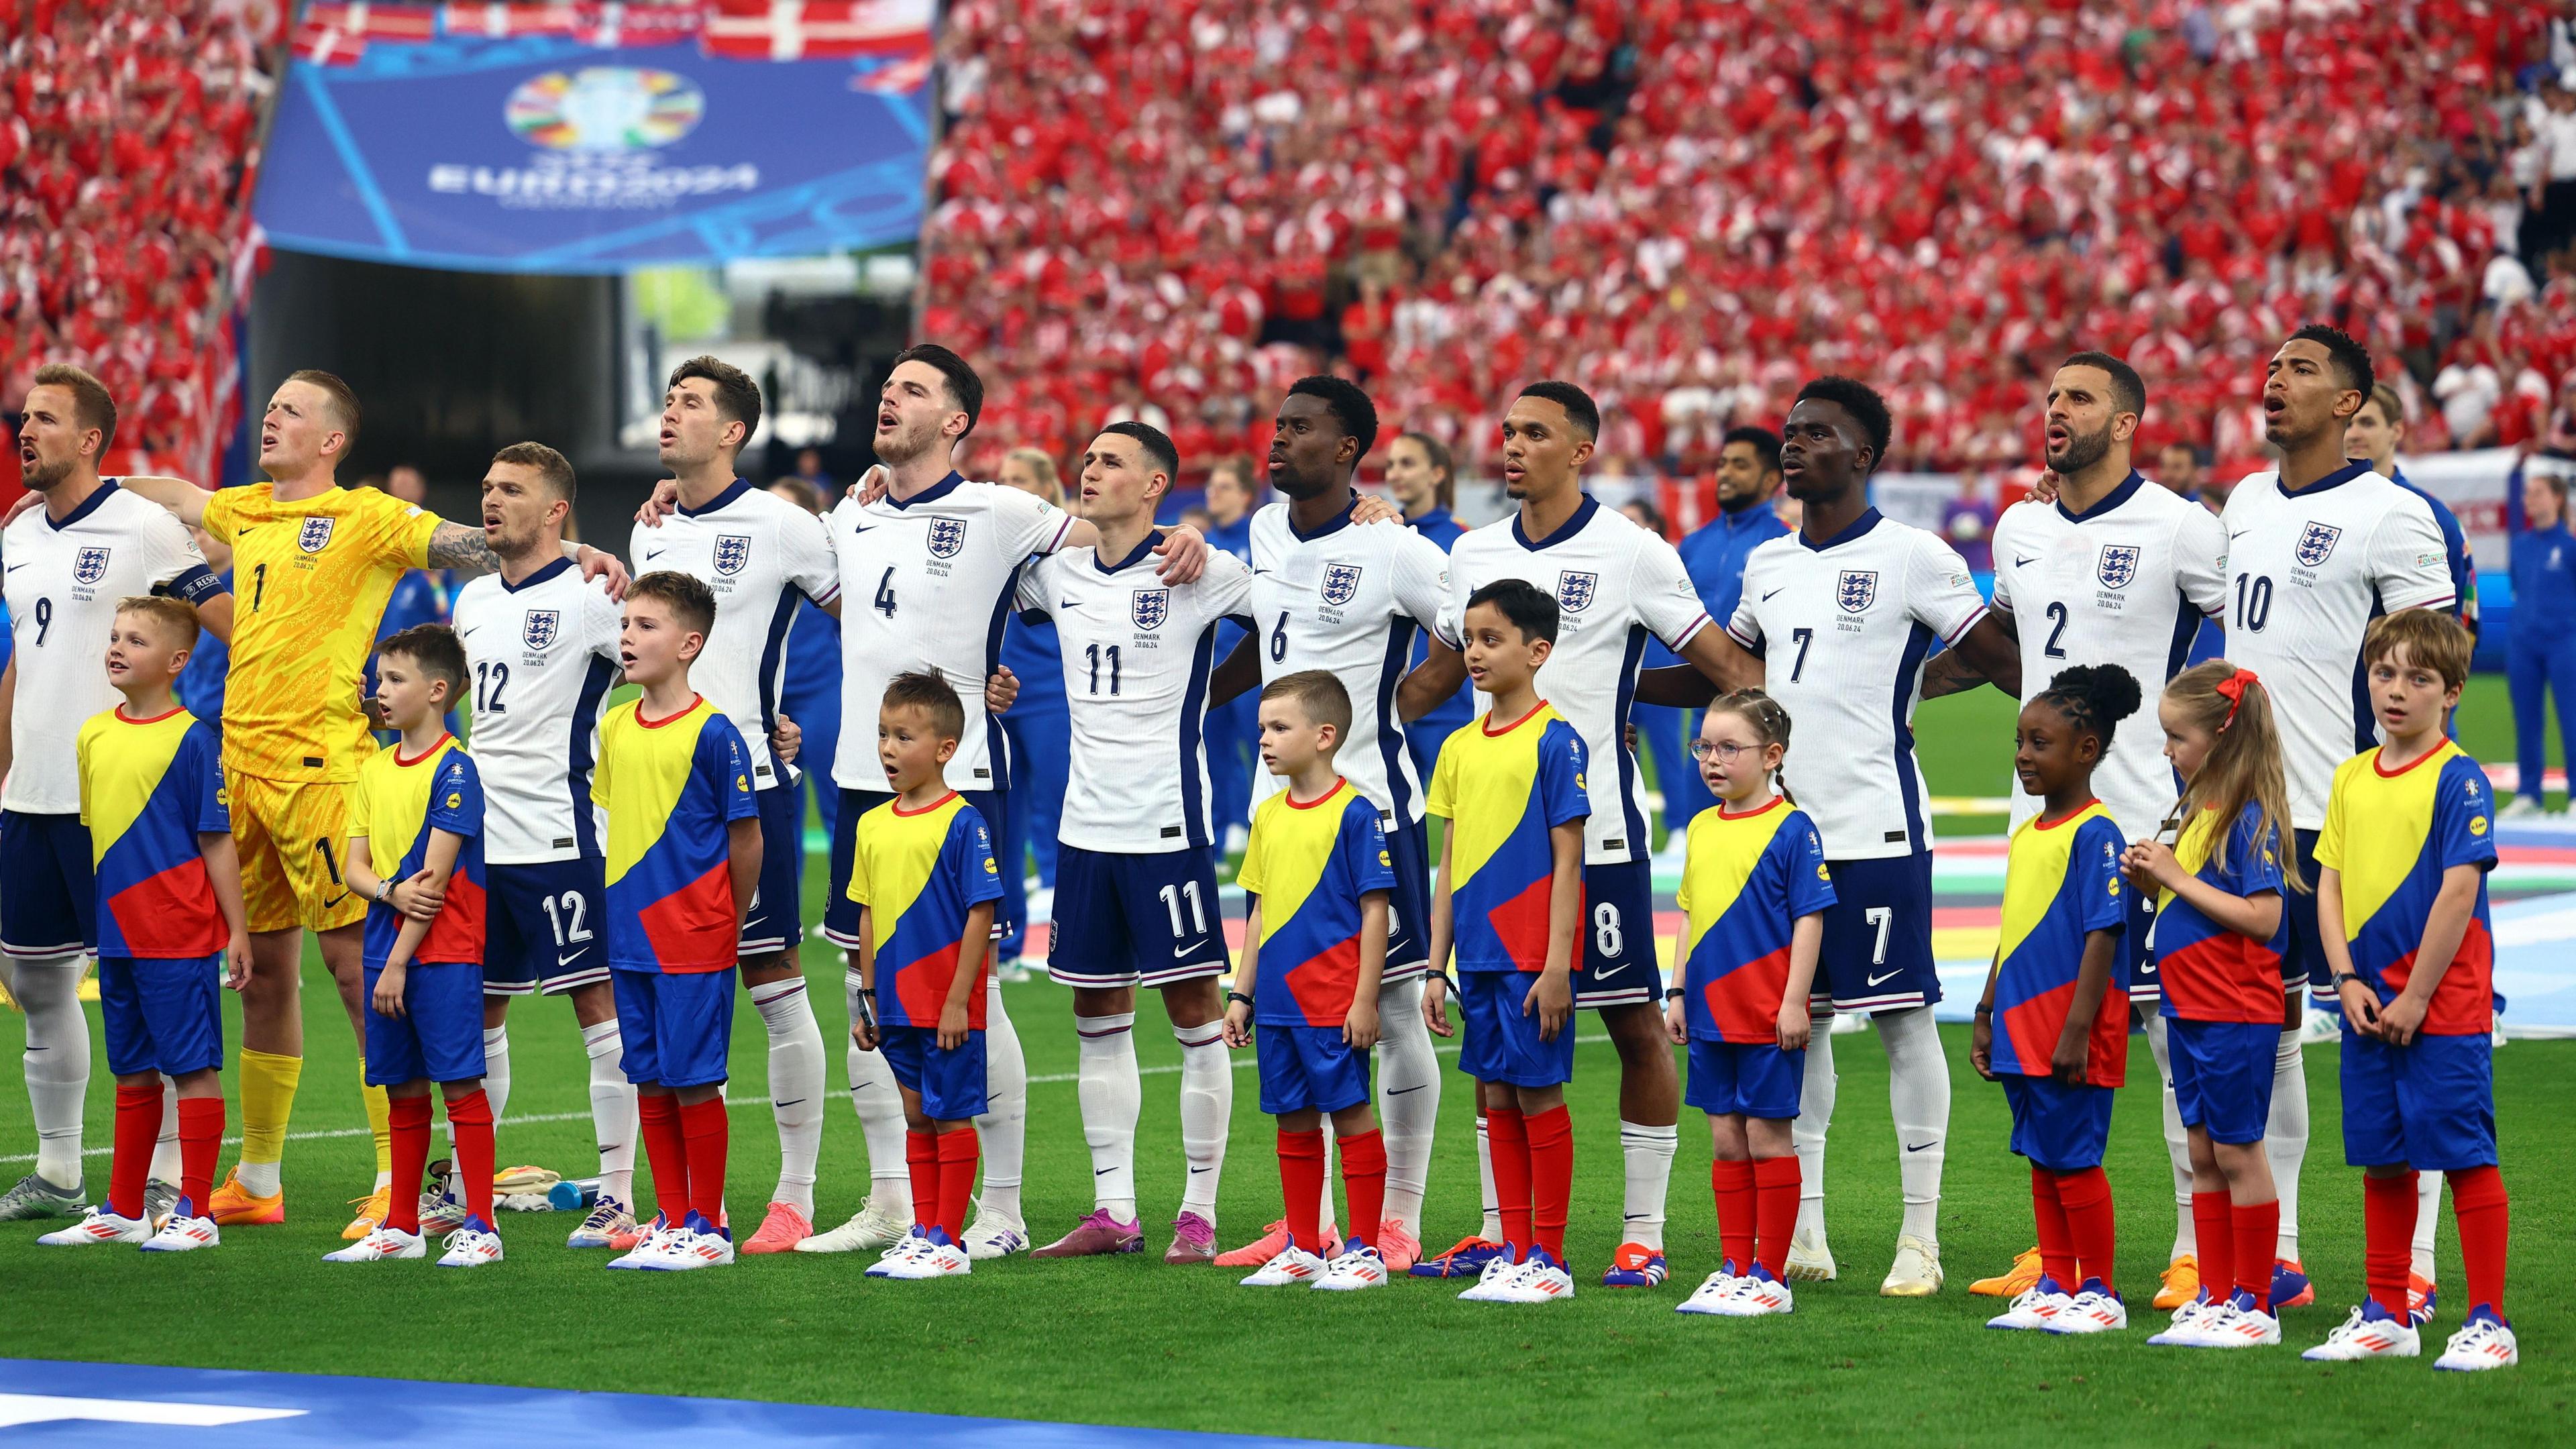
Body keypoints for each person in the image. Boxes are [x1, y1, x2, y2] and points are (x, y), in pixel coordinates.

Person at [99, 368, 622, 1237]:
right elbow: (181, 497)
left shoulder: (369, 517)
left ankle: (397, 1177)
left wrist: (573, 554)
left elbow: (472, 539)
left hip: (325, 767)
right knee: (262, 976)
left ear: (332, 439)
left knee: (356, 970)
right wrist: (99, 491)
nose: (271, 419)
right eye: (269, 408)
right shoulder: (246, 508)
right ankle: (259, 1177)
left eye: (290, 411)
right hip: (242, 762)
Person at [790, 346, 1203, 1261]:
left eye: (913, 391)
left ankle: (1003, 1209)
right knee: (866, 988)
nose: (889, 397)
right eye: (887, 384)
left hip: (961, 781)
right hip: (863, 782)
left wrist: (1188, 541)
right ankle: (891, 1200)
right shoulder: (846, 519)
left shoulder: (1005, 512)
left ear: (956, 422)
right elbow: (832, 603)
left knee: (971, 997)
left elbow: (1113, 550)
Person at [1404, 380, 1758, 1291]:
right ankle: (1499, 1231)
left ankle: (1642, 1233)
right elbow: (1443, 670)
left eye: (1535, 432)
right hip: (1488, 847)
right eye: (1507, 428)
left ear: (1583, 450)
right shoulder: (1473, 552)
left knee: (1636, 1022)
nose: (1513, 444)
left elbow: (1723, 666)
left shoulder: (1635, 552)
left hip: (1593, 835)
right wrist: (1368, 721)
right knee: (1492, 1035)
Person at [1720, 376, 2023, 1294]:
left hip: (1877, 825)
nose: (1795, 444)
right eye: (1790, 431)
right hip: (1781, 835)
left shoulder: (1913, 555)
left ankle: (1919, 1240)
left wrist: (1921, 686)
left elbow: (2002, 653)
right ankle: (1807, 1234)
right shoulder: (1767, 564)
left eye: (1818, 433)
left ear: (1864, 456)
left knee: (1900, 1021)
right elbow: (1735, 670)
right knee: (1797, 1028)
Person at [1957, 354, 2226, 1311]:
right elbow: (2011, 641)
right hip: (2043, 823)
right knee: (2039, 1037)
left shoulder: (2184, 528)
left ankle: (2198, 1250)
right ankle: (2057, 1256)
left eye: (2078, 399)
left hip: (2147, 820)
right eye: (2049, 397)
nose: (2055, 411)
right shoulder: (2018, 526)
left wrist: (2207, 761)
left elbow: (2246, 643)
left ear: (2126, 425)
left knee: (2164, 1037)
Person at [2214, 326, 2456, 1310]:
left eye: (2302, 371)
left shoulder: (2392, 516)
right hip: (2254, 821)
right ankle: (2286, 1255)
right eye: (2271, 369)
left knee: (2398, 1035)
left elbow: (2439, 662)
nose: (2276, 383)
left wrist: (2414, 798)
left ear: (2351, 405)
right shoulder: (2240, 500)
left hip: (2353, 818)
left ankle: (2424, 1270)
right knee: (2266, 1038)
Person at [1202, 378, 1436, 1272]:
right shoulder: (1264, 531)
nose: (1279, 437)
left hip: (1370, 809)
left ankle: (1399, 1220)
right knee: (1293, 1013)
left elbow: (1464, 626)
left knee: (1393, 1008)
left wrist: (1406, 700)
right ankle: (1311, 1226)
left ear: (1346, 449)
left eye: (1300, 428)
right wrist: (1196, 701)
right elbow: (1265, 646)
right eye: (1278, 424)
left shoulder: (1393, 546)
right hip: (1278, 819)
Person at [1014, 422, 1252, 1263]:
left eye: (1111, 462)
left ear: (1156, 485)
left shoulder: (1200, 568)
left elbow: (1285, 615)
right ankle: (1114, 1210)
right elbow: (973, 583)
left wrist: (1213, 693)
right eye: (1087, 459)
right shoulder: (1055, 573)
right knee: (1096, 1015)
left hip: (1166, 825)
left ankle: (1199, 1211)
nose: (1090, 470)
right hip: (1084, 831)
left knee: (1193, 1014)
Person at [0, 364, 231, 1226]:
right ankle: (58, 1170)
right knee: (35, 982)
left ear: (91, 440)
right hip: (32, 798)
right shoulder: (16, 536)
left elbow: (227, 626)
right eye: (24, 419)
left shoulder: (145, 528)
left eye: (46, 421)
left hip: (127, 807)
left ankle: (168, 1175)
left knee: (153, 987)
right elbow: (24, 660)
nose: (25, 433)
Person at [625, 356, 839, 1254]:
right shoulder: (652, 529)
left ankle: (794, 1197)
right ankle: (670, 1208)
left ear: (734, 431)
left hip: (748, 782)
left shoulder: (787, 528)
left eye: (692, 404)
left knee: (771, 978)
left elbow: (864, 615)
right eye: (669, 401)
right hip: (650, 803)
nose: (671, 415)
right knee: (651, 992)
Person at [2304, 609, 2516, 1372]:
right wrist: (2347, 980)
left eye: (2418, 679)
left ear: (2451, 692)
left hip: (2443, 1009)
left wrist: (2418, 996)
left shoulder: (2460, 779)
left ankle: (2489, 1320)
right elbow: (2327, 883)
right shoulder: (2350, 775)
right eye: (2383, 674)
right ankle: (2388, 1313)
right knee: (2385, 1161)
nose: (2396, 692)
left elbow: (2459, 892)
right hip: (2366, 1008)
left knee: (2463, 1154)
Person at [446, 443, 639, 1250]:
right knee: (478, 1012)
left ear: (556, 509)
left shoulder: (595, 597)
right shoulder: (473, 598)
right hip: (480, 843)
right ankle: (463, 1185)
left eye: (513, 491)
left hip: (561, 835)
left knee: (596, 1007)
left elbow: (661, 661)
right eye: (488, 487)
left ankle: (621, 1196)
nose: (492, 500)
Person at [38, 597, 246, 1252]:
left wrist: (236, 931)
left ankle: (198, 1211)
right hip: (119, 935)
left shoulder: (193, 738)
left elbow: (216, 842)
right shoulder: (93, 734)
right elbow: (98, 838)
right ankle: (123, 1209)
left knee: (190, 1068)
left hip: (178, 933)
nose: (117, 648)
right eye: (115, 636)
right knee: (130, 1069)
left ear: (178, 662)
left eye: (136, 640)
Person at [1423, 579, 1589, 1305]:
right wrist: (1436, 965)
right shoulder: (1458, 747)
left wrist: (1557, 966)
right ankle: (1515, 1249)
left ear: (1538, 650)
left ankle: (1547, 1257)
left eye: (1492, 640)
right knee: (1495, 1099)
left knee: (1537, 1095)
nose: (1475, 653)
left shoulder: (1557, 741)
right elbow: (1450, 862)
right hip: (1478, 958)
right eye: (1469, 640)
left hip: (1530, 959)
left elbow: (1568, 860)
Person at [596, 572, 763, 1272]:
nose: (629, 637)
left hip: (694, 936)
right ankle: (669, 1220)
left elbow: (746, 839)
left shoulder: (716, 733)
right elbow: (614, 822)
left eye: (647, 626)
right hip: (630, 933)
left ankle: (708, 1226)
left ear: (689, 644)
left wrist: (725, 919)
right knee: (650, 1078)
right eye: (626, 624)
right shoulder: (614, 726)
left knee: (695, 1079)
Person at [2129, 662, 2298, 1350]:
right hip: (2192, 1009)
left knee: (2237, 1152)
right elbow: (2192, 905)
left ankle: (2254, 1303)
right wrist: (2152, 882)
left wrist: (2172, 875)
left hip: (2234, 1012)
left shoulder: (2247, 816)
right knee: (2203, 1152)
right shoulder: (2199, 810)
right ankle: (2217, 1293)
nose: (2167, 751)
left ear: (2222, 737)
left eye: (2177, 737)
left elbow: (2262, 917)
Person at [1971, 664, 2141, 1336]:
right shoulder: (2027, 835)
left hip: (2067, 1031)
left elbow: (2105, 934)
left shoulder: (2097, 834)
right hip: (2019, 1026)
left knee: (2074, 1160)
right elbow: (2012, 931)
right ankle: (2057, 1279)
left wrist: (2077, 1030)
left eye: (2040, 743)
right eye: (2020, 741)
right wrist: (1987, 1014)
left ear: (2086, 750)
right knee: (2043, 1157)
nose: (2023, 755)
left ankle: (2097, 1290)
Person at [324, 625, 497, 1269]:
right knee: (400, 1087)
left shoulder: (456, 770)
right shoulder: (373, 767)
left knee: (459, 1085)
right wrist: (389, 897)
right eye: (379, 677)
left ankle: (481, 1225)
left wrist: (397, 955)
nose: (380, 690)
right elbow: (356, 870)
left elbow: (436, 881)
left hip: (441, 955)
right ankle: (401, 1224)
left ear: (438, 691)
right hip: (386, 947)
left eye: (395, 679)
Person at [1222, 670, 1397, 1291]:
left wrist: (1365, 1000)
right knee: (1291, 1119)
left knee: (1350, 1115)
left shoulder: (1355, 813)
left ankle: (1366, 1249)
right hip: (1277, 1003)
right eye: (1262, 728)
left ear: (1325, 736)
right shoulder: (1267, 815)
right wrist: (1242, 994)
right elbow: (1262, 909)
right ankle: (1302, 1246)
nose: (1264, 740)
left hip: (1332, 1000)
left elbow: (1375, 910)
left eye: (1279, 727)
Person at [1666, 691, 1832, 1319]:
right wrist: (1677, 991)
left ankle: (1770, 1273)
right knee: (1726, 1140)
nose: (1711, 759)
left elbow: (1809, 921)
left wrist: (1796, 1003)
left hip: (1767, 1013)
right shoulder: (1703, 827)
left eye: (1728, 748)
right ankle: (1733, 1265)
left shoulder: (1792, 829)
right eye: (1704, 746)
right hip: (1710, 1012)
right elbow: (1688, 915)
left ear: (1772, 756)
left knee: (1767, 1137)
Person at [849, 672, 1004, 1283]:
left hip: (945, 1005)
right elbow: (865, 911)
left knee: (950, 1113)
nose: (887, 748)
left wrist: (959, 1001)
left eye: (903, 736)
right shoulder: (872, 824)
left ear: (944, 748)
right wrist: (867, 994)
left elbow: (981, 912)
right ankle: (924, 1228)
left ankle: (947, 1240)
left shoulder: (965, 823)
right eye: (883, 734)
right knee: (915, 1116)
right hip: (894, 1004)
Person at [1664, 426, 1790, 859]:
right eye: (1722, 463)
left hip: (1766, 710)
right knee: (1706, 850)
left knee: (1765, 847)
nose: (1725, 473)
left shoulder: (1784, 545)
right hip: (1705, 707)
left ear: (1772, 480)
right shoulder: (1695, 544)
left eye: (1740, 465)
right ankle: (1681, 832)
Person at [992, 448, 1070, 975]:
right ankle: (1009, 945)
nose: (1008, 488)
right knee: (1002, 821)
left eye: (1019, 480)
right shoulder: (995, 544)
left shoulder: (1070, 549)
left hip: (1053, 697)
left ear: (1046, 486)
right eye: (1002, 480)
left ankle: (1077, 937)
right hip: (1001, 699)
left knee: (1065, 813)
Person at [2347, 384, 2479, 641]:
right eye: (2348, 424)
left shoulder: (2434, 514)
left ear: (2396, 431)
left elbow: (2466, 614)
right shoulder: (2322, 507)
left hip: (2400, 677)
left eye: (2367, 423)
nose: (2353, 434)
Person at [1385, 431, 1474, 790]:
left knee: (1465, 824)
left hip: (1450, 706)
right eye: (1391, 465)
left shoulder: (1465, 542)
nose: (1395, 474)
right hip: (1391, 703)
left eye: (1407, 463)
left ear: (1437, 474)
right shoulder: (1382, 536)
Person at [767, 476, 843, 865]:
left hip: (823, 694)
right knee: (780, 814)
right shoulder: (757, 563)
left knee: (837, 806)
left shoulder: (826, 565)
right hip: (772, 702)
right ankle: (787, 921)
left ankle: (849, 917)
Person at [1619, 497, 1699, 865]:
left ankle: (1680, 829)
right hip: (1622, 674)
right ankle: (1622, 826)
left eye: (1635, 520)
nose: (1626, 528)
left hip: (1659, 670)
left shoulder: (1666, 565)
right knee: (1617, 751)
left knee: (1669, 755)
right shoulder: (1612, 565)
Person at [2503, 453, 2575, 817]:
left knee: (2571, 717)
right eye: (2527, 492)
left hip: (2565, 641)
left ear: (2557, 498)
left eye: (2538, 492)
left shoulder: (2572, 544)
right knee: (2527, 719)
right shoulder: (2520, 544)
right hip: (2523, 643)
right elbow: (2518, 587)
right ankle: (2530, 794)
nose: (2529, 498)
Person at [1201, 455, 1260, 855]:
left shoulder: (1258, 538)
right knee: (1214, 751)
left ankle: (1254, 821)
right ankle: (1224, 826)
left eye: (1223, 487)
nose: (1213, 494)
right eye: (1210, 487)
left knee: (1260, 748)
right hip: (1210, 667)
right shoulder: (1202, 541)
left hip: (1251, 668)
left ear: (1244, 495)